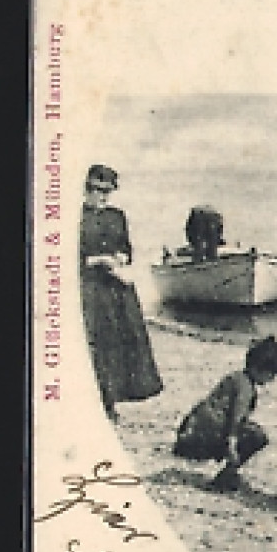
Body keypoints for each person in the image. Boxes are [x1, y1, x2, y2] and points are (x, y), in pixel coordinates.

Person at [79, 164, 163, 418]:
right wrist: (95, 261)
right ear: (87, 189)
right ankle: (95, 401)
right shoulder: (74, 217)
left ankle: (111, 401)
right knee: (94, 346)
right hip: (90, 289)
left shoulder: (117, 216)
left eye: (107, 191)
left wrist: (121, 257)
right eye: (96, 190)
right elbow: (65, 258)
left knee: (118, 347)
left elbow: (126, 248)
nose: (102, 197)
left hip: (117, 291)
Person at [174, 336, 277, 492]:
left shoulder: (236, 377)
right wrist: (232, 445)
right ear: (260, 369)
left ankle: (228, 473)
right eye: (271, 374)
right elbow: (236, 418)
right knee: (257, 436)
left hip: (192, 430)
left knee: (250, 429)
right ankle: (226, 476)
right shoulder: (246, 388)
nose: (272, 379)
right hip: (201, 439)